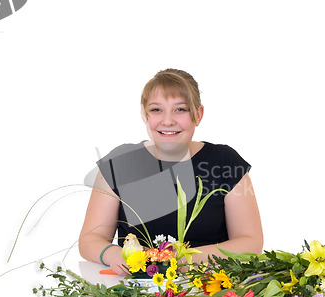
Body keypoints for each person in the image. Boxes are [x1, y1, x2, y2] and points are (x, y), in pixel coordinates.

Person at [79, 69, 263, 276]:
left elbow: (251, 242)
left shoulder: (225, 162)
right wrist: (114, 255)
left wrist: (182, 259)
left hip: (209, 287)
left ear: (198, 114)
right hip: (136, 287)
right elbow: (90, 240)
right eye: (156, 110)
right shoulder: (119, 163)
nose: (167, 121)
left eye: (180, 109)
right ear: (144, 115)